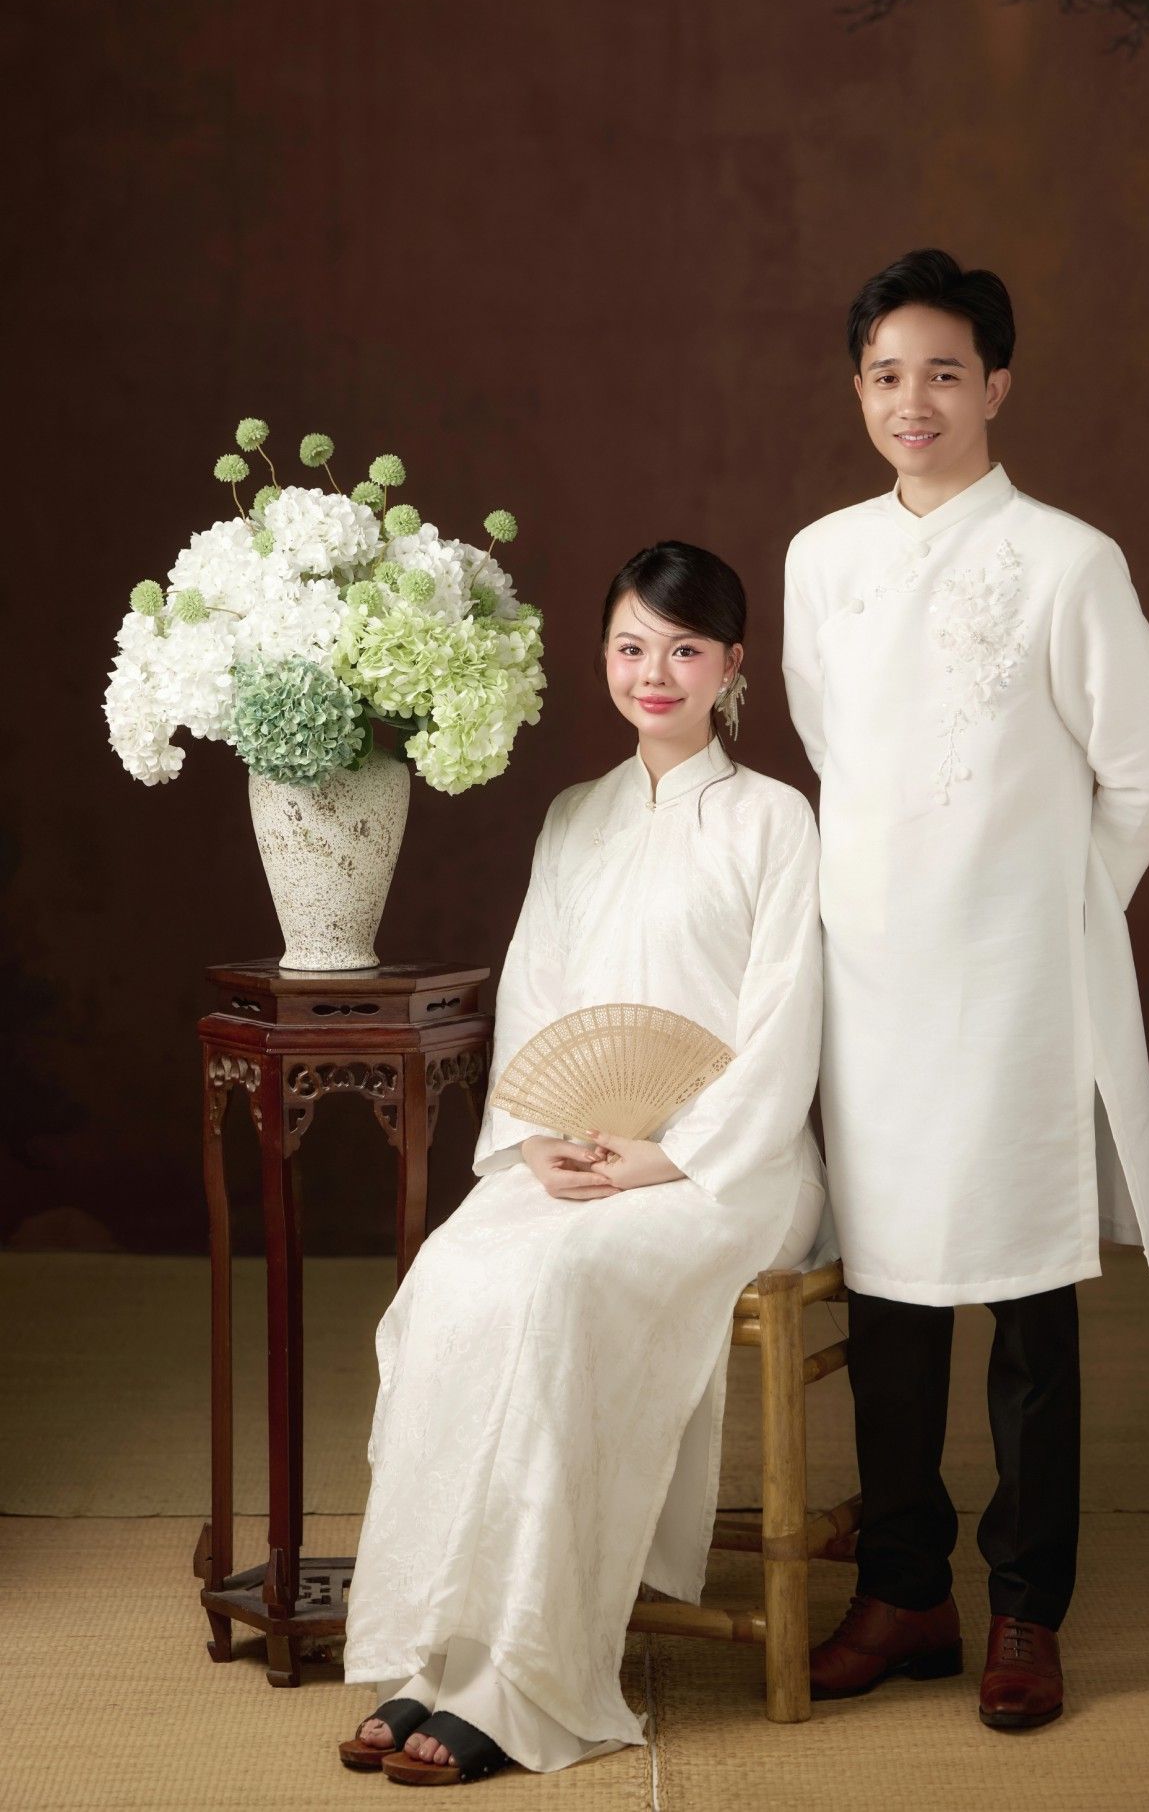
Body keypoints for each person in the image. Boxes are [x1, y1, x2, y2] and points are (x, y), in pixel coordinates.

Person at [340, 541, 826, 1784]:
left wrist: (672, 1154)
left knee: (557, 1291)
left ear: (732, 666)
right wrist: (537, 1140)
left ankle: (522, 1678)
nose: (654, 672)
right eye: (629, 645)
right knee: (454, 1280)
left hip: (730, 1169)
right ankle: (433, 1649)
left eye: (684, 648)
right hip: (574, 1153)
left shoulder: (775, 820)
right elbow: (539, 1003)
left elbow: (785, 1024)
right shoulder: (575, 817)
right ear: (601, 655)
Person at [783, 249, 1149, 1730]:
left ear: (996, 386)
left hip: (1019, 986)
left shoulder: (1067, 560)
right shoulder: (819, 557)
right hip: (869, 977)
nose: (914, 401)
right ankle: (903, 1590)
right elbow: (832, 752)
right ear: (859, 389)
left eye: (943, 372)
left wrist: (1055, 914)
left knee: (1024, 1296)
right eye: (886, 373)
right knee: (889, 1294)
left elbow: (1146, 766)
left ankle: (1026, 1604)